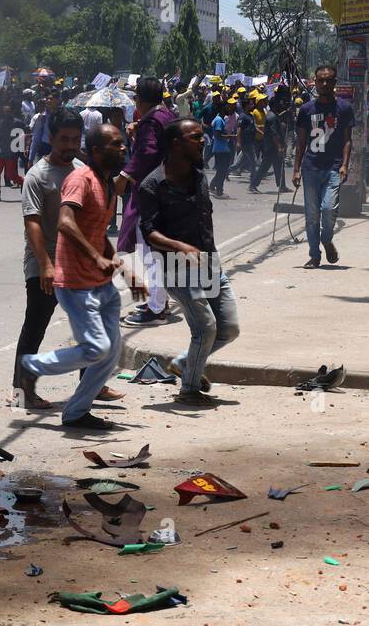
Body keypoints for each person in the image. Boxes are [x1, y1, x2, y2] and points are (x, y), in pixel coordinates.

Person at [19, 123, 144, 431]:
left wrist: (125, 270)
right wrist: (89, 258)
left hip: (98, 282)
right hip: (74, 281)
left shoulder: (107, 184)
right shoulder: (80, 179)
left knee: (111, 352)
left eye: (123, 143)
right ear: (98, 151)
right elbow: (64, 222)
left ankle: (76, 411)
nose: (124, 148)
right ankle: (32, 367)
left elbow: (98, 233)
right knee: (96, 347)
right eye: (117, 145)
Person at [137, 117, 240, 408]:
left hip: (209, 263)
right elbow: (149, 232)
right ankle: (189, 390)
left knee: (229, 328)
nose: (203, 140)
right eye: (196, 137)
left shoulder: (198, 175)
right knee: (205, 328)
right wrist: (180, 246)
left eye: (202, 135)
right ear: (176, 144)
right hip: (178, 270)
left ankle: (184, 363)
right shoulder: (152, 184)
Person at [14, 108, 83, 409]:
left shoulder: (81, 170)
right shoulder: (37, 176)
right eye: (64, 139)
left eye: (75, 139)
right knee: (36, 326)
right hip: (44, 262)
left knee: (88, 324)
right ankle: (21, 391)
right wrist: (45, 263)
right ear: (51, 138)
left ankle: (91, 381)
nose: (70, 145)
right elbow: (32, 222)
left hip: (76, 262)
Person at [116, 77, 177, 327]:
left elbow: (148, 153)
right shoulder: (166, 116)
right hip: (167, 190)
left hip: (152, 194)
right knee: (153, 251)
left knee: (149, 251)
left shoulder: (152, 121)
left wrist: (125, 175)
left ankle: (156, 309)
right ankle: (158, 301)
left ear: (139, 100)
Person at [293, 65, 356, 269]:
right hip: (310, 168)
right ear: (315, 82)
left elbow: (347, 140)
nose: (325, 84)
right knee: (312, 215)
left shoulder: (344, 108)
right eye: (321, 80)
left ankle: (327, 239)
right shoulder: (306, 110)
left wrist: (345, 165)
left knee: (328, 209)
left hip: (334, 167)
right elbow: (301, 142)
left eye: (329, 80)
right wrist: (296, 169)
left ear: (334, 82)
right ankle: (314, 255)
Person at [0, 102, 24, 201]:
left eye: (8, 111)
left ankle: (24, 183)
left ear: (12, 112)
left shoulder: (18, 123)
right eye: (5, 112)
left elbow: (24, 135)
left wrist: (22, 150)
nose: (6, 113)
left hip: (11, 153)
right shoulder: (1, 122)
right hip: (0, 152)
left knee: (11, 175)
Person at [209, 98, 236, 198]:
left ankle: (212, 186)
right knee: (222, 171)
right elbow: (218, 135)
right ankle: (219, 191)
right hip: (220, 149)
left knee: (222, 170)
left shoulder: (220, 119)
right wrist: (231, 137)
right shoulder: (219, 120)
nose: (230, 109)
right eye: (227, 107)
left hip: (222, 148)